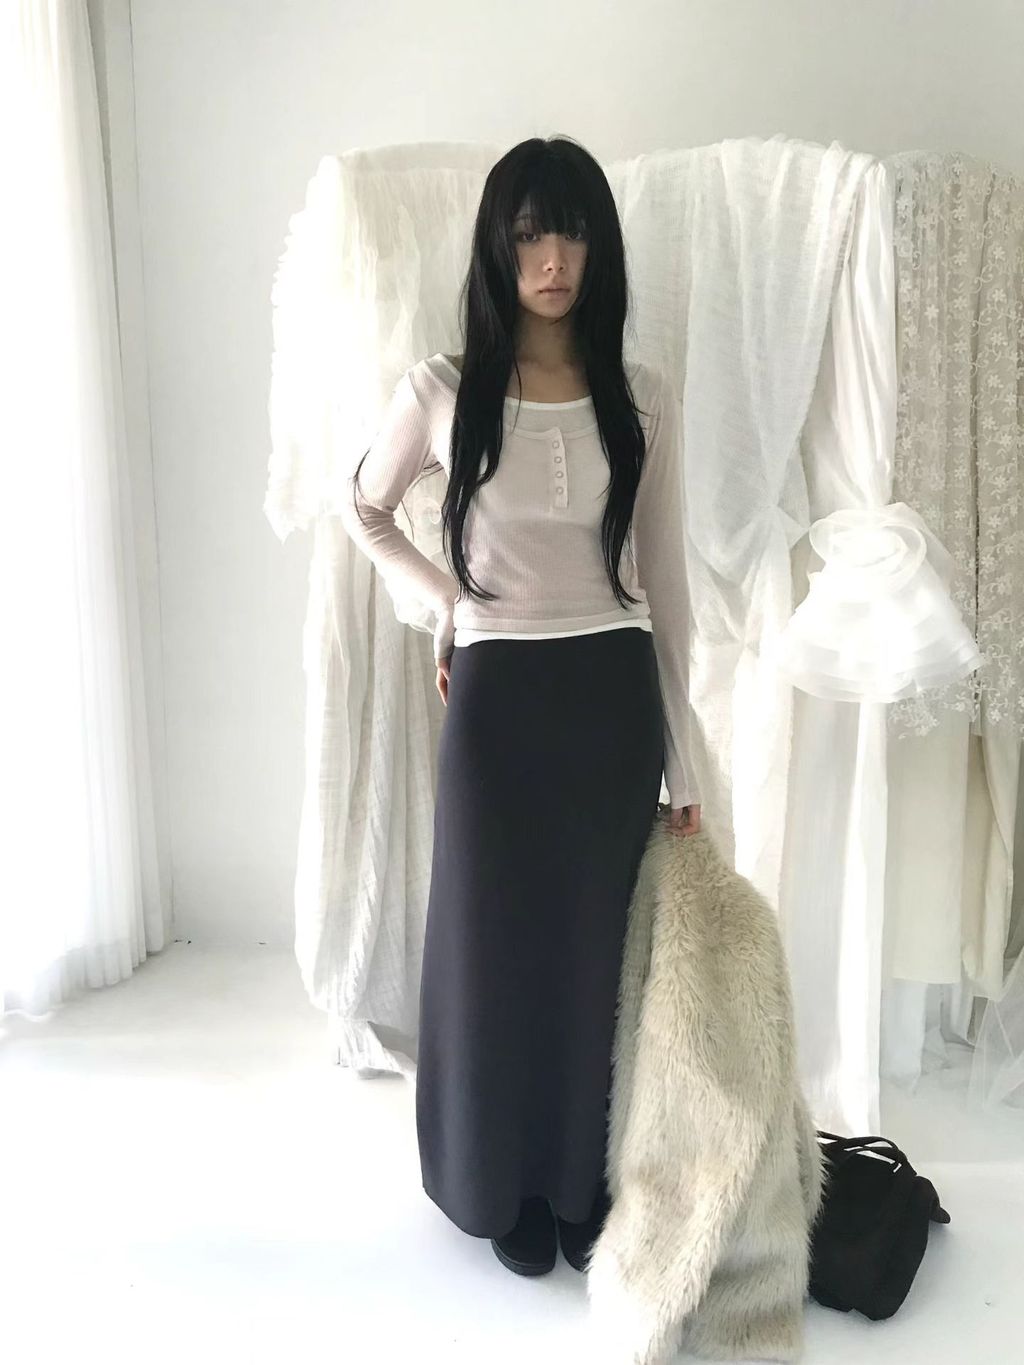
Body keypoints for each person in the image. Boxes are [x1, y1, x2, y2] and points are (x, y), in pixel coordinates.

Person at [340, 134, 702, 1278]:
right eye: (531, 233)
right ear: (499, 248)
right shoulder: (442, 391)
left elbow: (666, 582)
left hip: (610, 702)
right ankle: (496, 1181)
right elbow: (365, 509)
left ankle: (580, 1180)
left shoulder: (642, 398)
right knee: (491, 948)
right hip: (497, 706)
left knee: (597, 954)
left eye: (573, 233)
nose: (553, 258)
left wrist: (686, 757)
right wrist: (448, 603)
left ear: (599, 250)